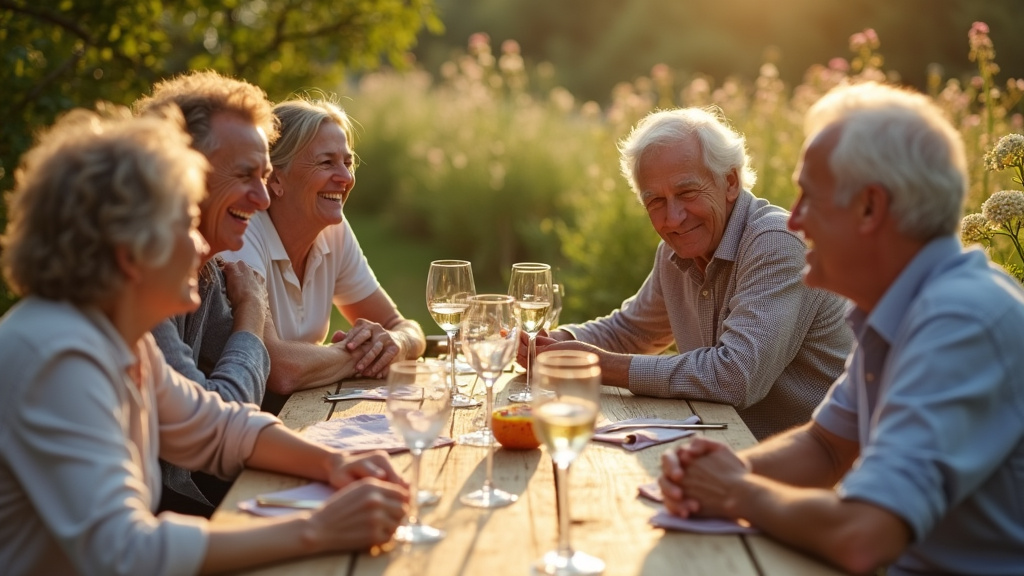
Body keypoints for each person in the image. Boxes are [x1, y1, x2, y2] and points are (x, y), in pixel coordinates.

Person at [0, 107, 409, 576]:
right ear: (128, 251)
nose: (201, 246)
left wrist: (335, 465)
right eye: (183, 225)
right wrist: (319, 529)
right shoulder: (60, 358)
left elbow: (218, 428)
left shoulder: (118, 340)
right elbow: (124, 553)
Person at [659, 82, 1024, 575]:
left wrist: (735, 490)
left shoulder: (962, 321)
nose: (797, 221)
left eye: (810, 196)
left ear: (870, 207)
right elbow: (826, 446)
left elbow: (863, 537)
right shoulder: (900, 308)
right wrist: (716, 471)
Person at [529, 107, 851, 439]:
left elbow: (736, 377)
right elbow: (631, 330)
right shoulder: (676, 250)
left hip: (811, 465)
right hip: (725, 445)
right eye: (655, 201)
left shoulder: (775, 243)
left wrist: (600, 366)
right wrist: (558, 342)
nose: (672, 219)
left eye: (686, 193)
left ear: (730, 182)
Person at [134, 70, 283, 514]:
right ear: (181, 173)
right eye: (245, 175)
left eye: (266, 176)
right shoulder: (133, 291)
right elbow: (217, 422)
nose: (264, 198)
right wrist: (252, 312)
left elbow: (256, 384)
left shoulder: (206, 272)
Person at [223, 95, 426, 411]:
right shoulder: (243, 232)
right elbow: (278, 368)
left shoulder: (334, 229)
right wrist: (358, 352)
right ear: (275, 179)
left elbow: (403, 326)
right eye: (326, 162)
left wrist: (396, 344)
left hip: (303, 413)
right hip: (244, 431)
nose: (346, 178)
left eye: (348, 162)